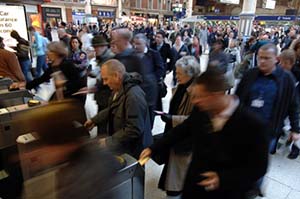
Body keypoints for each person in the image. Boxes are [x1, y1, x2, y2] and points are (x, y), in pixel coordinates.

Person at [139, 67, 269, 199]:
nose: (195, 101)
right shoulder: (202, 110)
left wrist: (222, 179)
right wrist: (153, 148)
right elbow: (182, 130)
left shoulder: (252, 124)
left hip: (226, 192)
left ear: (218, 94)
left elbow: (258, 167)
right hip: (195, 186)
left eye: (201, 96)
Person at [84, 59, 153, 158]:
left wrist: (108, 141)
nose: (104, 83)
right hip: (123, 145)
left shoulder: (133, 96)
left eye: (106, 79)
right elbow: (112, 108)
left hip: (133, 150)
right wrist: (94, 120)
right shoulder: (118, 89)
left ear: (116, 76)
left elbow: (134, 129)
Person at [155, 56, 200, 199]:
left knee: (177, 179)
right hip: (174, 134)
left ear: (191, 73)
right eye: (176, 72)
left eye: (180, 73)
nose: (176, 76)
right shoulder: (180, 87)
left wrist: (172, 119)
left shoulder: (196, 92)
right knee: (173, 173)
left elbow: (196, 121)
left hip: (185, 141)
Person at [133, 33, 164, 127]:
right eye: (134, 43)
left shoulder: (154, 54)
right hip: (136, 92)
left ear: (145, 43)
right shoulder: (132, 55)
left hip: (150, 92)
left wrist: (151, 78)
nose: (136, 46)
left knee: (150, 116)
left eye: (138, 44)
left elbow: (160, 69)